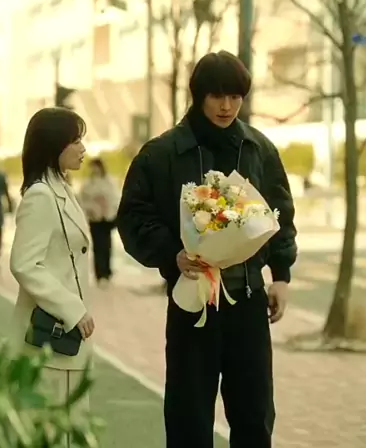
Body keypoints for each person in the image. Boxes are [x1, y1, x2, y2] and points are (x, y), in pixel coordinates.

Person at [116, 50, 298, 448]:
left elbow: (280, 214)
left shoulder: (258, 148)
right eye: (217, 96)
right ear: (199, 96)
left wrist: (281, 276)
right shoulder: (162, 153)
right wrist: (172, 254)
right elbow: (133, 217)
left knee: (254, 417)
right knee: (189, 418)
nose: (227, 106)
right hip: (193, 305)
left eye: (235, 96)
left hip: (248, 301)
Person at [9, 107, 94, 428]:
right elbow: (24, 264)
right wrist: (72, 309)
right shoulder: (41, 195)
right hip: (50, 335)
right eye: (75, 140)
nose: (83, 148)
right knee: (54, 429)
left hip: (63, 337)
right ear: (54, 144)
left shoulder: (60, 188)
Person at [79, 158, 119, 288]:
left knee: (107, 245)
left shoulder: (109, 181)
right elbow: (82, 201)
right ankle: (100, 273)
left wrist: (108, 209)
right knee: (97, 246)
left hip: (107, 218)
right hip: (94, 218)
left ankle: (107, 272)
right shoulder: (87, 184)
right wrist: (92, 208)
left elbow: (115, 198)